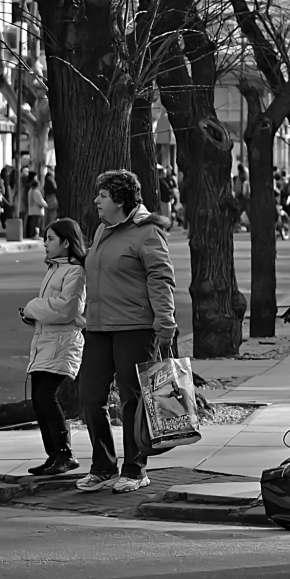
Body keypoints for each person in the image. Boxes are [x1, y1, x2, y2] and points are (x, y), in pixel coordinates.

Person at [76, 169, 176, 494]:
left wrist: (165, 323)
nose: (96, 201)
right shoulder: (104, 230)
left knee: (132, 400)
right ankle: (103, 466)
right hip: (99, 328)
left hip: (135, 329)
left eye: (102, 196)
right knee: (90, 397)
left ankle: (135, 468)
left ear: (119, 199)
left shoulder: (147, 232)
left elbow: (160, 279)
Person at [21, 218, 87, 476]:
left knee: (46, 396)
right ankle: (53, 455)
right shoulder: (54, 268)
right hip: (46, 340)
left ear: (66, 242)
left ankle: (65, 454)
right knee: (39, 399)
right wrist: (33, 313)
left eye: (50, 239)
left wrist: (32, 307)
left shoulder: (75, 271)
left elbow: (68, 308)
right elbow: (52, 305)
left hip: (63, 342)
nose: (45, 243)